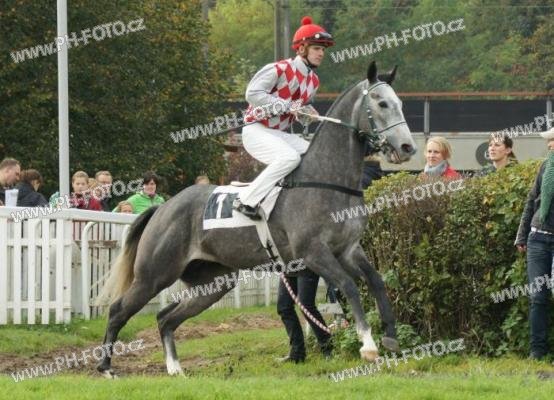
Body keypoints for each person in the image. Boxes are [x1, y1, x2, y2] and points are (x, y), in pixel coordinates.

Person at [233, 16, 335, 220]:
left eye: (323, 49)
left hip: (278, 134)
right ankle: (245, 201)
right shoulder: (278, 69)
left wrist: (308, 115)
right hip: (256, 130)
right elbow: (252, 94)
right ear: (302, 48)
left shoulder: (314, 81)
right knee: (290, 158)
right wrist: (289, 106)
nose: (321, 53)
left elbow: (298, 111)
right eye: (317, 48)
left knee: (315, 154)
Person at [514, 127, 554, 361]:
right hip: (538, 237)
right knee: (538, 297)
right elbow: (531, 200)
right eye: (549, 140)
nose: (550, 144)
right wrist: (521, 236)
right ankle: (537, 352)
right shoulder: (546, 167)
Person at [276, 268, 332, 363]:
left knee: (306, 306)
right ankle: (297, 353)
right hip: (288, 266)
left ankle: (328, 348)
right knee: (284, 307)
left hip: (307, 265)